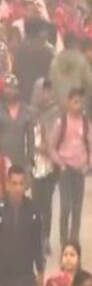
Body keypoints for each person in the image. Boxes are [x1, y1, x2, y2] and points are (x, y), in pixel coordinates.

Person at [0, 165, 45, 286]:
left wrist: (40, 270)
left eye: (21, 184)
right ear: (7, 184)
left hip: (25, 275)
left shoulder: (33, 211)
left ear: (26, 185)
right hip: (1, 275)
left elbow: (37, 242)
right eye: (14, 183)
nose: (18, 188)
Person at [49, 88, 91, 246]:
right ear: (68, 103)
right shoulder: (62, 122)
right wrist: (60, 164)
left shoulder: (86, 123)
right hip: (66, 170)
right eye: (75, 102)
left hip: (80, 171)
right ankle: (64, 241)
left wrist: (88, 165)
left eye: (80, 102)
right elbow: (52, 147)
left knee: (77, 208)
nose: (78, 105)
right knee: (65, 207)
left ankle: (74, 241)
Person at [31, 78, 60, 254]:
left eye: (49, 91)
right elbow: (27, 138)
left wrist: (50, 147)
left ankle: (46, 239)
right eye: (43, 90)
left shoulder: (56, 113)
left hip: (50, 166)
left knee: (46, 205)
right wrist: (36, 147)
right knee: (35, 204)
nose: (46, 94)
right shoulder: (30, 113)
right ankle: (35, 239)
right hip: (34, 165)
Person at [0, 74, 35, 170]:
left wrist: (30, 160)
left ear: (18, 90)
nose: (11, 91)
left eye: (14, 88)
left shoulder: (26, 110)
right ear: (3, 89)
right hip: (0, 161)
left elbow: (31, 138)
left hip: (20, 162)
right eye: (8, 87)